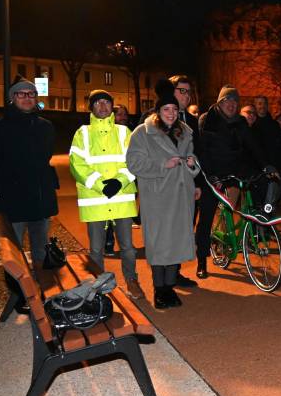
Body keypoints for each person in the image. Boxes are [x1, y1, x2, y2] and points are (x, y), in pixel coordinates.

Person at [126, 80, 199, 308]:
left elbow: (194, 160)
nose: (171, 113)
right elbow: (133, 163)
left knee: (176, 242)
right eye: (166, 109)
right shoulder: (143, 133)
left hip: (181, 197)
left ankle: (169, 287)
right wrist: (162, 165)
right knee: (159, 245)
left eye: (174, 109)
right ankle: (160, 290)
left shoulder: (184, 131)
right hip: (157, 198)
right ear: (158, 111)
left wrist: (192, 164)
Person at [69, 89, 142, 298]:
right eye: (97, 102)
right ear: (91, 107)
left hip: (121, 198)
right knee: (96, 250)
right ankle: (97, 285)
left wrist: (119, 181)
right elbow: (77, 164)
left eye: (106, 102)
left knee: (128, 247)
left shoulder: (124, 132)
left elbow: (135, 160)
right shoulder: (82, 133)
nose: (102, 106)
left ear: (112, 106)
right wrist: (101, 186)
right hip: (95, 200)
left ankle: (131, 280)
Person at [194, 85, 272, 279]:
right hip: (211, 174)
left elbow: (253, 146)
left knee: (248, 197)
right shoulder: (207, 119)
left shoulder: (240, 122)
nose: (231, 104)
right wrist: (210, 175)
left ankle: (242, 238)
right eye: (227, 100)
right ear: (220, 102)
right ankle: (202, 260)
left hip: (233, 171)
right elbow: (201, 150)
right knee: (206, 216)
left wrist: (266, 166)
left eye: (235, 101)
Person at [0, 75, 59, 269]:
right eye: (21, 94)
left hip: (41, 200)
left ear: (36, 98)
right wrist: (8, 186)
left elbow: (45, 157)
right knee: (14, 254)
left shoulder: (45, 126)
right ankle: (17, 287)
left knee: (41, 252)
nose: (27, 98)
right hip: (14, 202)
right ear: (12, 98)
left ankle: (42, 284)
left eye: (31, 94)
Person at [166, 75, 201, 287]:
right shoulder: (155, 117)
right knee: (167, 231)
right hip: (165, 186)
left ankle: (175, 273)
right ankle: (163, 280)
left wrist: (198, 184)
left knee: (185, 230)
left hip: (187, 185)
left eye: (188, 92)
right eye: (182, 91)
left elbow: (198, 154)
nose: (186, 96)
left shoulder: (193, 121)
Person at [104, 104, 134, 256]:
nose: (123, 118)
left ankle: (125, 244)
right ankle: (108, 243)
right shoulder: (106, 132)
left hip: (126, 181)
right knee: (108, 216)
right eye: (119, 114)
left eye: (125, 114)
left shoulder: (129, 132)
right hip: (109, 180)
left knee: (123, 216)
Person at [253, 96, 281, 208]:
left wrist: (280, 167)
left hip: (273, 171)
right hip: (257, 172)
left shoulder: (274, 125)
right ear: (255, 106)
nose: (262, 106)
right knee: (257, 204)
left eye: (264, 103)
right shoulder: (252, 125)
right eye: (259, 103)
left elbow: (280, 148)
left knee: (270, 204)